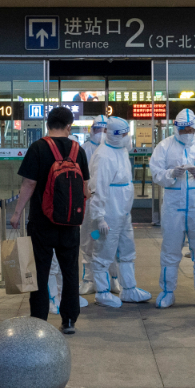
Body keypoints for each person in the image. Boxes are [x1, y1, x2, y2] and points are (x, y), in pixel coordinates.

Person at [11, 106, 90, 334]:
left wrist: (17, 212)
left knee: (41, 272)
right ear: (68, 126)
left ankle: (39, 320)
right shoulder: (78, 150)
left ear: (47, 124)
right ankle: (68, 321)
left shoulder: (38, 148)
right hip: (70, 223)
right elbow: (84, 187)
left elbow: (29, 183)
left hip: (42, 222)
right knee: (69, 271)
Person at [148, 108, 195, 309]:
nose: (187, 133)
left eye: (190, 129)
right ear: (176, 128)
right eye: (183, 129)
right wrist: (172, 174)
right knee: (170, 250)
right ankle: (167, 291)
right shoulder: (164, 146)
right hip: (173, 205)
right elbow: (155, 173)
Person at [89, 116, 152, 307]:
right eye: (124, 134)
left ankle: (129, 289)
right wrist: (99, 217)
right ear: (115, 135)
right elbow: (98, 188)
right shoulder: (103, 155)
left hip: (123, 211)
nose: (128, 137)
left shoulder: (121, 151)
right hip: (109, 211)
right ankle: (101, 292)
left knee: (127, 249)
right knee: (104, 251)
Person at [77, 115, 118, 295]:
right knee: (88, 239)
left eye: (103, 130)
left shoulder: (116, 150)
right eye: (97, 130)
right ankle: (88, 279)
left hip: (111, 203)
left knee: (111, 240)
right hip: (89, 203)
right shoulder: (83, 150)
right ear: (90, 130)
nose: (100, 134)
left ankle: (114, 278)